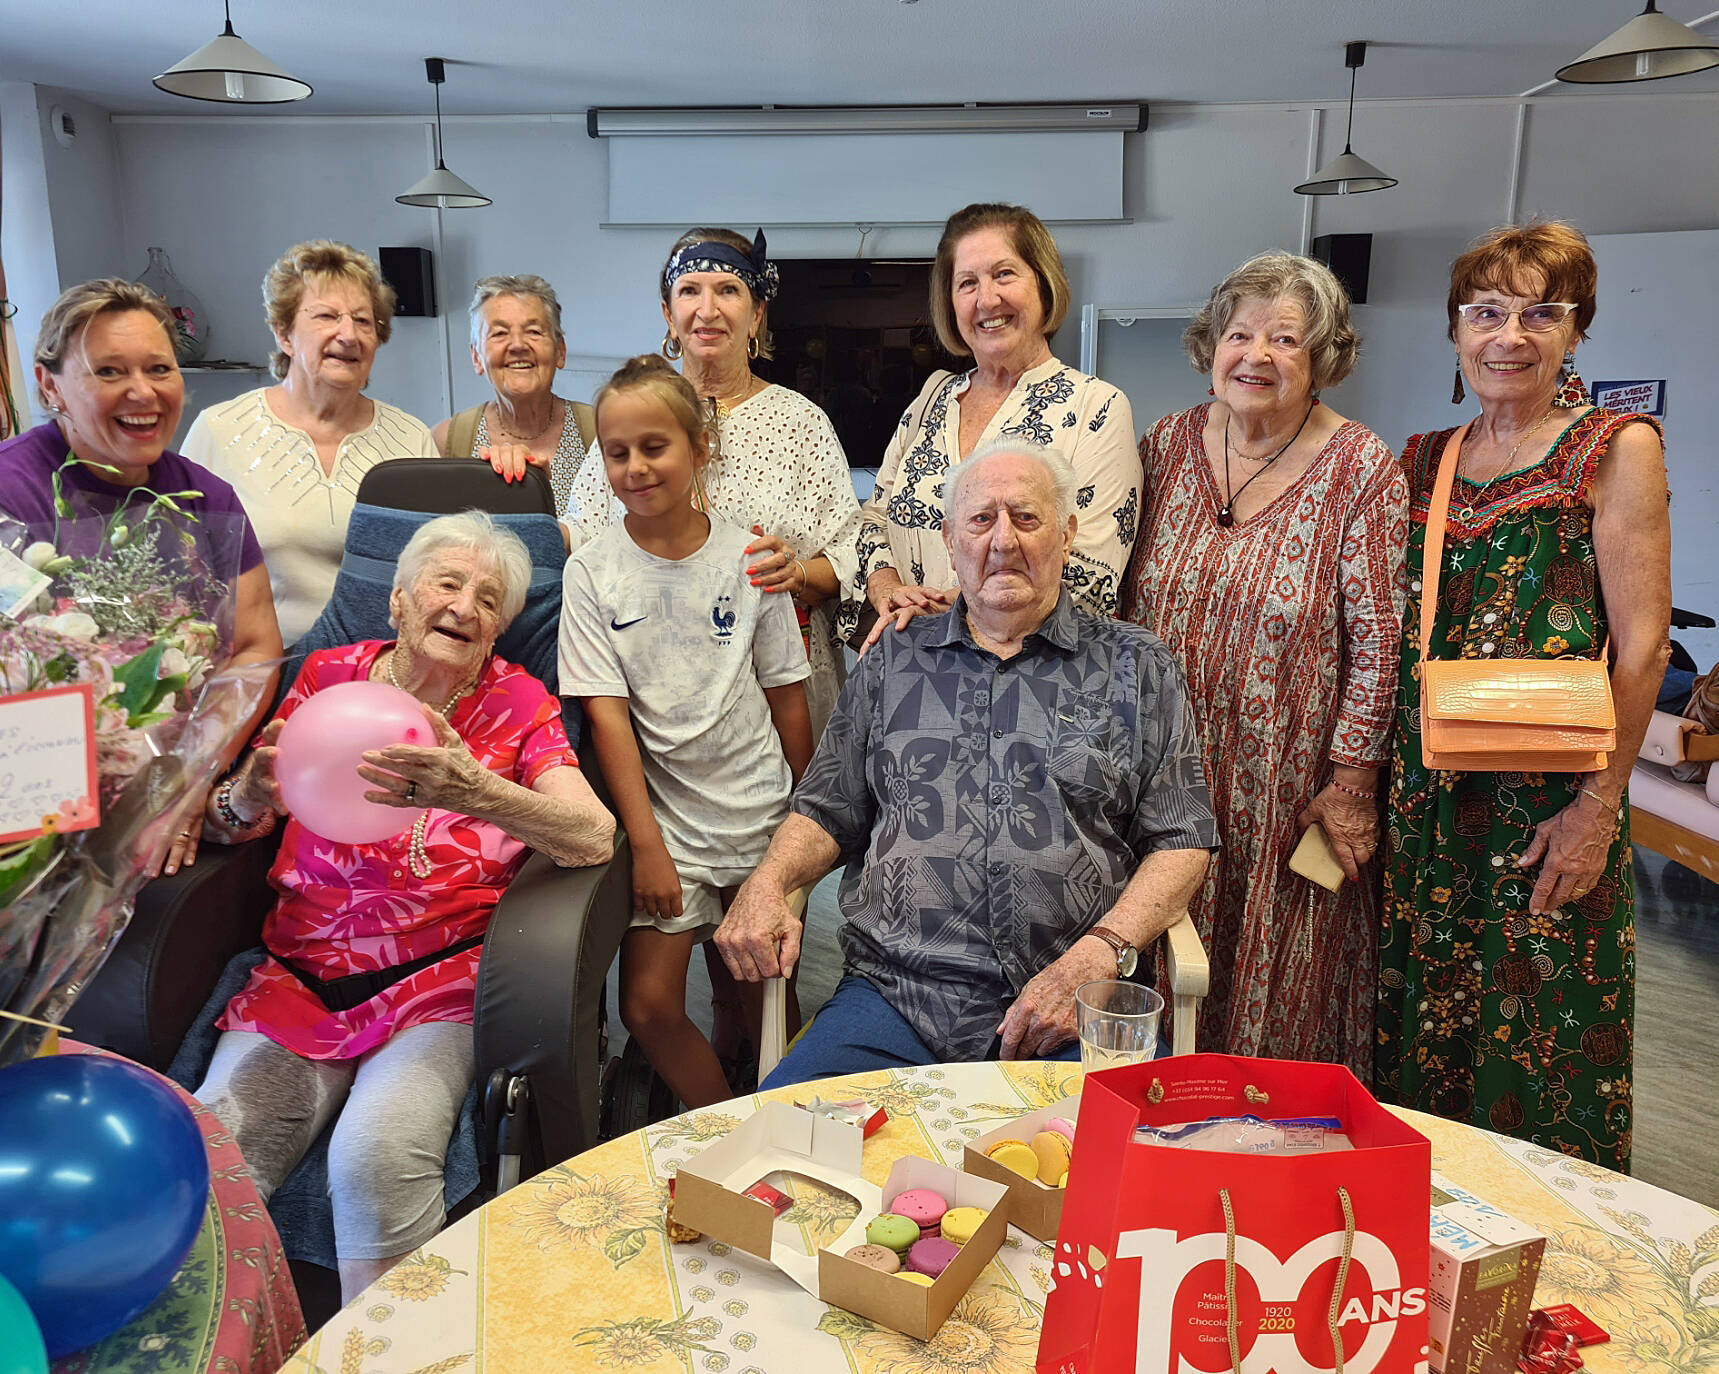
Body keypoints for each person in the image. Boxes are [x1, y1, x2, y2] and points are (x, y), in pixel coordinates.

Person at [194, 511, 614, 1300]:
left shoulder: (517, 702)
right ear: (395, 601)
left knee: (377, 1157)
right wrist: (247, 793)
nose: (465, 606)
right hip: (300, 977)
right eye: (447, 584)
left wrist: (478, 790)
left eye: (489, 599)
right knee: (215, 1163)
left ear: (498, 632)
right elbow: (231, 824)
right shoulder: (326, 677)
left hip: (437, 984)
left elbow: (593, 837)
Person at [716, 441, 1218, 1084]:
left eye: (1027, 519)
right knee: (791, 1147)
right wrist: (767, 881)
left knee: (1109, 1171)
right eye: (981, 520)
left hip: (1067, 1003)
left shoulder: (1137, 665)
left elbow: (1184, 840)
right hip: (895, 997)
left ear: (1067, 535)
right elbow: (825, 808)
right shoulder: (894, 659)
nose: (1003, 540)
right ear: (950, 541)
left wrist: (1101, 953)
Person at [1378, 222, 1669, 1171]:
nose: (1510, 334)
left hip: (1546, 803)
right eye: (1487, 312)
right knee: (1427, 1036)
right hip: (1431, 799)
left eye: (1540, 313)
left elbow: (1643, 648)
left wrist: (1596, 809)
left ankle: (1550, 1250)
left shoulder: (1613, 448)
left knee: (1542, 1040)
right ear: (1455, 332)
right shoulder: (1426, 457)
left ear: (1575, 331)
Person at [1122, 253, 1407, 1076]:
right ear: (1209, 344)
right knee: (1152, 963)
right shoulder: (1166, 443)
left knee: (1275, 993)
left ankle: (1261, 1144)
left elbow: (1380, 642)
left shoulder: (1359, 468)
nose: (1256, 354)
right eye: (1239, 333)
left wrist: (1352, 787)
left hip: (1285, 790)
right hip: (1153, 777)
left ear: (1322, 360)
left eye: (1286, 339)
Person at [0, 277, 282, 876]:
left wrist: (188, 773)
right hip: (27, 813)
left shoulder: (207, 499)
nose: (143, 392)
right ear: (51, 385)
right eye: (108, 372)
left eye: (160, 368)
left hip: (173, 789)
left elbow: (255, 647)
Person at [559, 357, 813, 1107]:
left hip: (762, 816)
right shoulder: (593, 572)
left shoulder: (750, 559)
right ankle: (721, 1127)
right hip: (666, 828)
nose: (635, 467)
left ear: (699, 448)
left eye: (654, 446)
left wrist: (804, 821)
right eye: (616, 451)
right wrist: (645, 847)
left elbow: (786, 696)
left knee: (761, 999)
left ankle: (782, 1119)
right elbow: (607, 715)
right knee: (648, 1006)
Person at [561, 227, 861, 740]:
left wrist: (797, 573)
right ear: (668, 316)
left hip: (782, 690)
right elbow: (584, 536)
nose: (708, 309)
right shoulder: (636, 415)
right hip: (660, 693)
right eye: (690, 291)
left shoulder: (800, 423)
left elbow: (849, 552)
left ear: (757, 315)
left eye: (728, 290)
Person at [849, 203, 1140, 644]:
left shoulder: (1096, 407)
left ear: (1044, 285)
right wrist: (888, 588)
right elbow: (874, 517)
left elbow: (1091, 577)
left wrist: (952, 615)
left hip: (1028, 676)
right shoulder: (932, 398)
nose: (987, 299)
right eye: (967, 283)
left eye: (1004, 274)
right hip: (909, 658)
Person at [183, 240, 438, 645]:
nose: (348, 334)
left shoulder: (411, 439)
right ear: (284, 333)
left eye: (364, 321)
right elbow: (183, 574)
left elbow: (433, 570)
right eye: (326, 316)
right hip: (263, 669)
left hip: (384, 673)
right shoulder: (218, 431)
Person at [432, 275, 596, 513]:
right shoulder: (446, 441)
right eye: (499, 333)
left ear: (560, 351)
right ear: (476, 357)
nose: (518, 345)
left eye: (534, 332)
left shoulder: (600, 432)